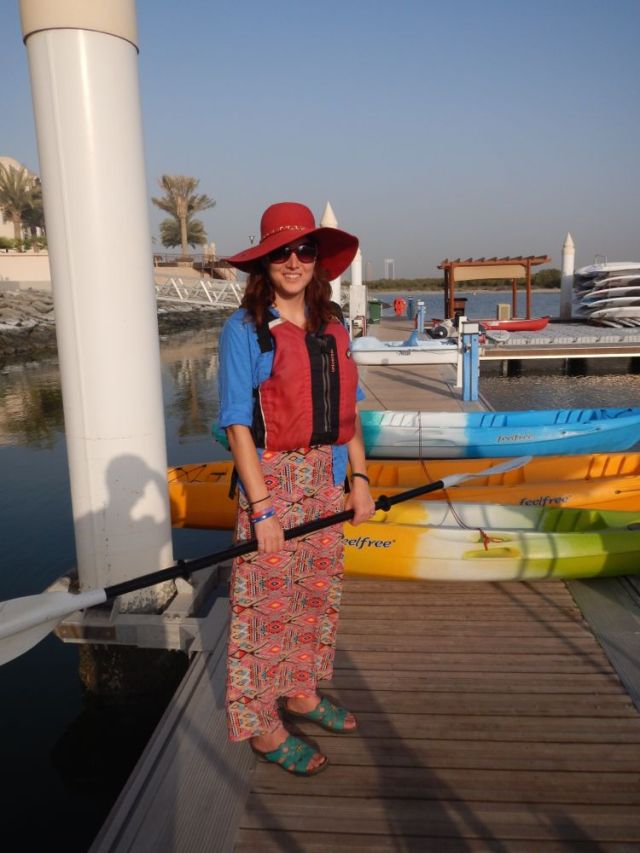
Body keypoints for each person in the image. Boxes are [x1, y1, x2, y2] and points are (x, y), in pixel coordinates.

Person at [217, 202, 375, 776]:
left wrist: (359, 480)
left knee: (313, 597)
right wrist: (261, 508)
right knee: (262, 613)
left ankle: (302, 691)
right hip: (272, 484)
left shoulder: (334, 327)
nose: (292, 261)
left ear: (317, 260)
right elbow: (237, 422)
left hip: (327, 481)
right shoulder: (243, 331)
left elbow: (348, 415)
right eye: (280, 251)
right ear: (264, 260)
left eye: (303, 250)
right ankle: (262, 727)